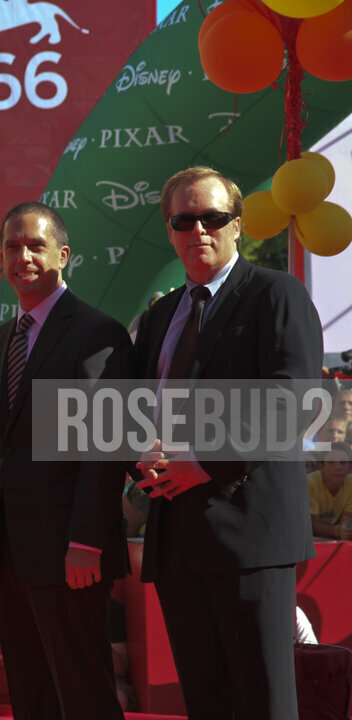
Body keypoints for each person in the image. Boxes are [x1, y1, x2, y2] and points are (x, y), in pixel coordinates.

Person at [132, 166, 322, 719]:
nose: (199, 230)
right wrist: (138, 455)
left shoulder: (275, 293)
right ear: (170, 230)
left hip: (251, 536)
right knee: (205, 703)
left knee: (263, 703)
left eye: (213, 217)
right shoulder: (160, 315)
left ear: (238, 225)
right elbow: (140, 408)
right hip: (175, 539)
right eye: (184, 219)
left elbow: (296, 400)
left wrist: (201, 462)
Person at [0, 201, 129, 720]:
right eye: (13, 246)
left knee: (83, 692)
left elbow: (107, 448)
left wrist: (86, 541)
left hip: (70, 555)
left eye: (35, 245)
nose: (23, 256)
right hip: (8, 554)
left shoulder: (98, 333)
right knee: (30, 694)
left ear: (63, 254)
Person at [308, 442, 352, 541]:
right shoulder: (310, 483)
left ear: (350, 468)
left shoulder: (351, 484)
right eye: (331, 462)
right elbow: (312, 527)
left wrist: (345, 530)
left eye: (343, 462)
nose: (338, 467)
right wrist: (337, 531)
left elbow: (346, 524)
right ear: (321, 467)